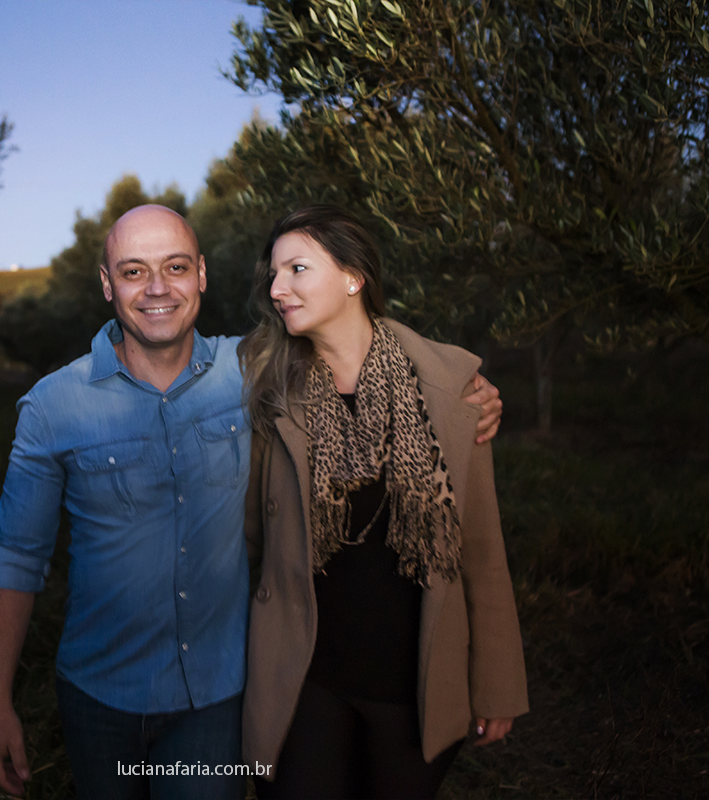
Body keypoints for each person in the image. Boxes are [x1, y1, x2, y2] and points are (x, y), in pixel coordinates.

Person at [0, 205, 505, 800]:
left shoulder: (252, 369)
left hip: (217, 695)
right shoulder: (52, 406)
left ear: (202, 274)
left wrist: (461, 385)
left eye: (176, 267)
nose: (157, 288)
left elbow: (353, 337)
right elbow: (14, 555)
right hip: (100, 695)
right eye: (133, 271)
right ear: (107, 284)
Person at [239, 206, 529, 800]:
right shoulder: (269, 388)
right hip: (307, 679)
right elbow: (245, 539)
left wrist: (497, 686)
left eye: (297, 269)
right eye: (273, 274)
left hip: (412, 687)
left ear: (354, 277)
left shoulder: (450, 389)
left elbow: (481, 550)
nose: (276, 289)